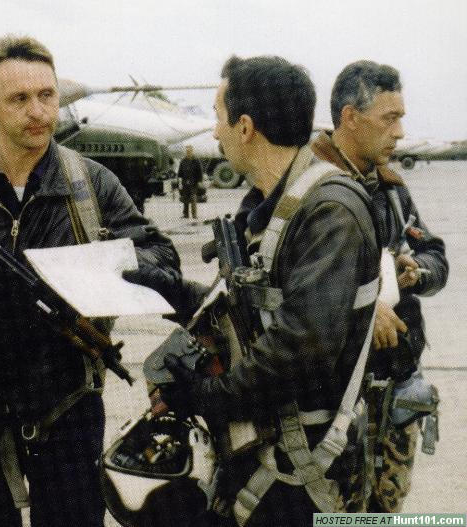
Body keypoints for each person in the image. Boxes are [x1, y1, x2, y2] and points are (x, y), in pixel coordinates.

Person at [0, 35, 182, 527]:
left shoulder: (92, 186)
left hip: (66, 409)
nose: (38, 112)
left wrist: (89, 272)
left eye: (47, 95)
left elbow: (161, 258)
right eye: (19, 99)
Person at [159, 55, 381, 526]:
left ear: (244, 127)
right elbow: (257, 308)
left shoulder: (330, 212)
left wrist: (208, 396)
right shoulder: (269, 207)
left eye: (218, 118)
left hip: (306, 472)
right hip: (267, 460)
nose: (214, 132)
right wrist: (175, 291)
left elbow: (302, 344)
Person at [311, 60, 448, 512]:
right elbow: (292, 286)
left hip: (394, 387)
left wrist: (416, 271)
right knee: (333, 513)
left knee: (384, 510)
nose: (400, 132)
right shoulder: (308, 186)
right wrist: (364, 307)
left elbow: (435, 255)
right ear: (350, 117)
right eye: (390, 119)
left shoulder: (390, 190)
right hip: (334, 404)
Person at [178, 145, 203, 219]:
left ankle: (194, 215)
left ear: (192, 151)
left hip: (194, 182)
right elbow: (180, 172)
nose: (188, 152)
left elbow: (200, 171)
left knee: (193, 198)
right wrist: (179, 182)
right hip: (185, 182)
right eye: (187, 151)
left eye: (189, 151)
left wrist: (199, 181)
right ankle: (185, 214)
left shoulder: (196, 160)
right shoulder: (183, 161)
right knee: (185, 199)